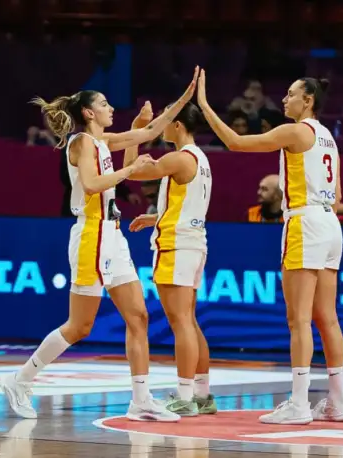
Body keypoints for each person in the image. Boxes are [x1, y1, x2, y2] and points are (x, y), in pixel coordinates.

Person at [0, 67, 200, 422]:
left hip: (113, 235)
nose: (111, 108)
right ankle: (20, 380)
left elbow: (149, 131)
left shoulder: (103, 141)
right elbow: (92, 185)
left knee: (138, 316)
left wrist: (187, 97)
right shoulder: (81, 142)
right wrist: (129, 170)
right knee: (80, 326)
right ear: (89, 112)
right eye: (104, 104)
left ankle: (141, 400)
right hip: (91, 234)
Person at [196, 71, 343, 425]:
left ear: (307, 100)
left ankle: (299, 403)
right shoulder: (328, 137)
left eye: (291, 94)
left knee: (298, 320)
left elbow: (236, 142)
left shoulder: (296, 131)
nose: (284, 99)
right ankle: (338, 401)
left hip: (304, 222)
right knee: (327, 318)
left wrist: (204, 105)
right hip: (331, 224)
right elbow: (339, 195)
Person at [126, 101, 217, 417]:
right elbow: (188, 206)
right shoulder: (200, 159)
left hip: (177, 247)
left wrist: (137, 131)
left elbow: (131, 171)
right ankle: (202, 395)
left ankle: (185, 396)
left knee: (181, 322)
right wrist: (156, 218)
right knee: (189, 321)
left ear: (178, 125)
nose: (161, 125)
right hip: (193, 244)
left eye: (166, 120)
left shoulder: (178, 158)